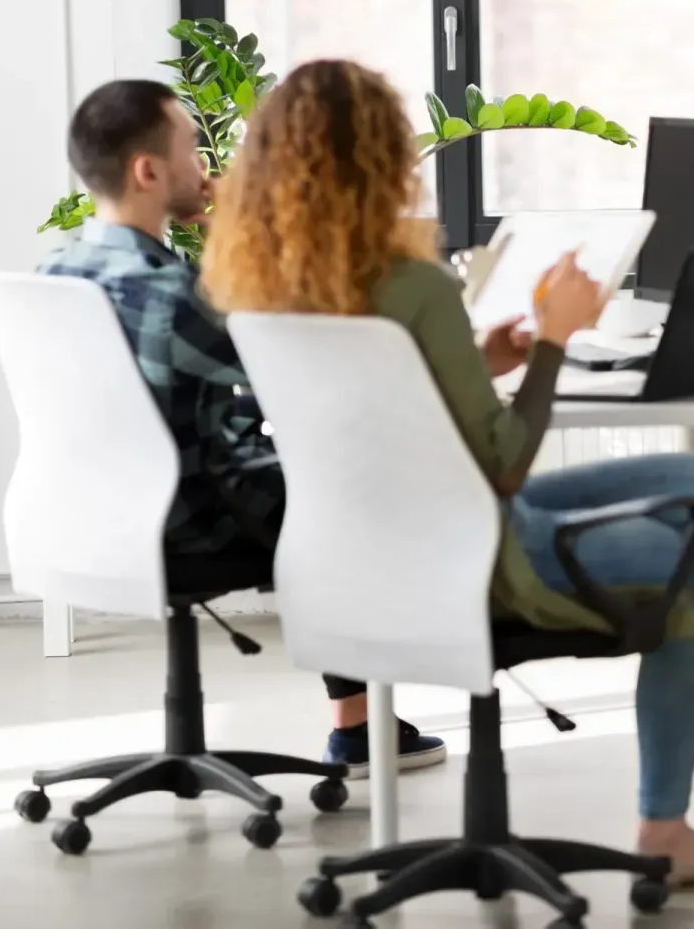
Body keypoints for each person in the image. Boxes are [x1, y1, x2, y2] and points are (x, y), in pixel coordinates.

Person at [200, 59, 694, 888]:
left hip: (360, 558)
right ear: (376, 161)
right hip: (472, 552)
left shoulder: (260, 288)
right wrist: (551, 342)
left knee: (690, 476)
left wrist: (477, 355)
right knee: (693, 555)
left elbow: (387, 408)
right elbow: (501, 466)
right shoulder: (413, 286)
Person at [40, 79, 448, 777]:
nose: (204, 167)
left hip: (87, 514)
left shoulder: (58, 271)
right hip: (187, 518)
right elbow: (297, 368)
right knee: (344, 501)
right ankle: (357, 727)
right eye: (192, 152)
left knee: (310, 485)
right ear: (148, 172)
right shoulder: (170, 294)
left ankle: (356, 720)